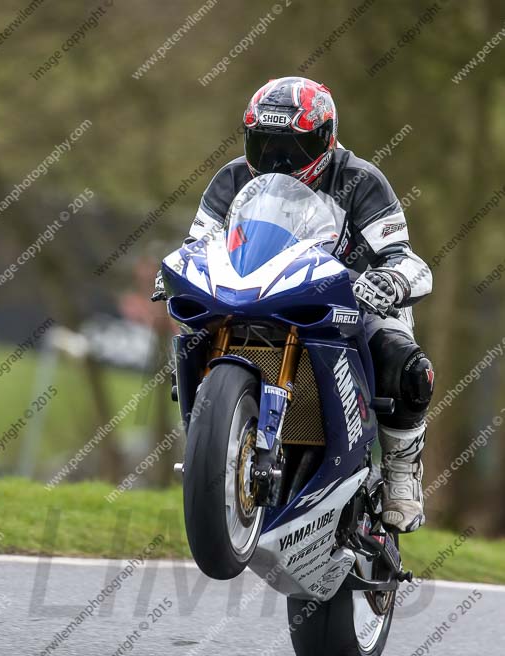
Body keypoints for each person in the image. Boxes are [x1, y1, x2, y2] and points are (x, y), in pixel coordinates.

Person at [158, 76, 434, 533]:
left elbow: (406, 259)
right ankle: (215, 449)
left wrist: (387, 281)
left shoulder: (361, 181)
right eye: (266, 146)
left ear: (326, 139)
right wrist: (172, 272)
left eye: (294, 148)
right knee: (191, 339)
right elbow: (199, 242)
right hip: (253, 291)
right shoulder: (231, 179)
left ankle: (403, 473)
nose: (279, 162)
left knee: (406, 365)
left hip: (348, 302)